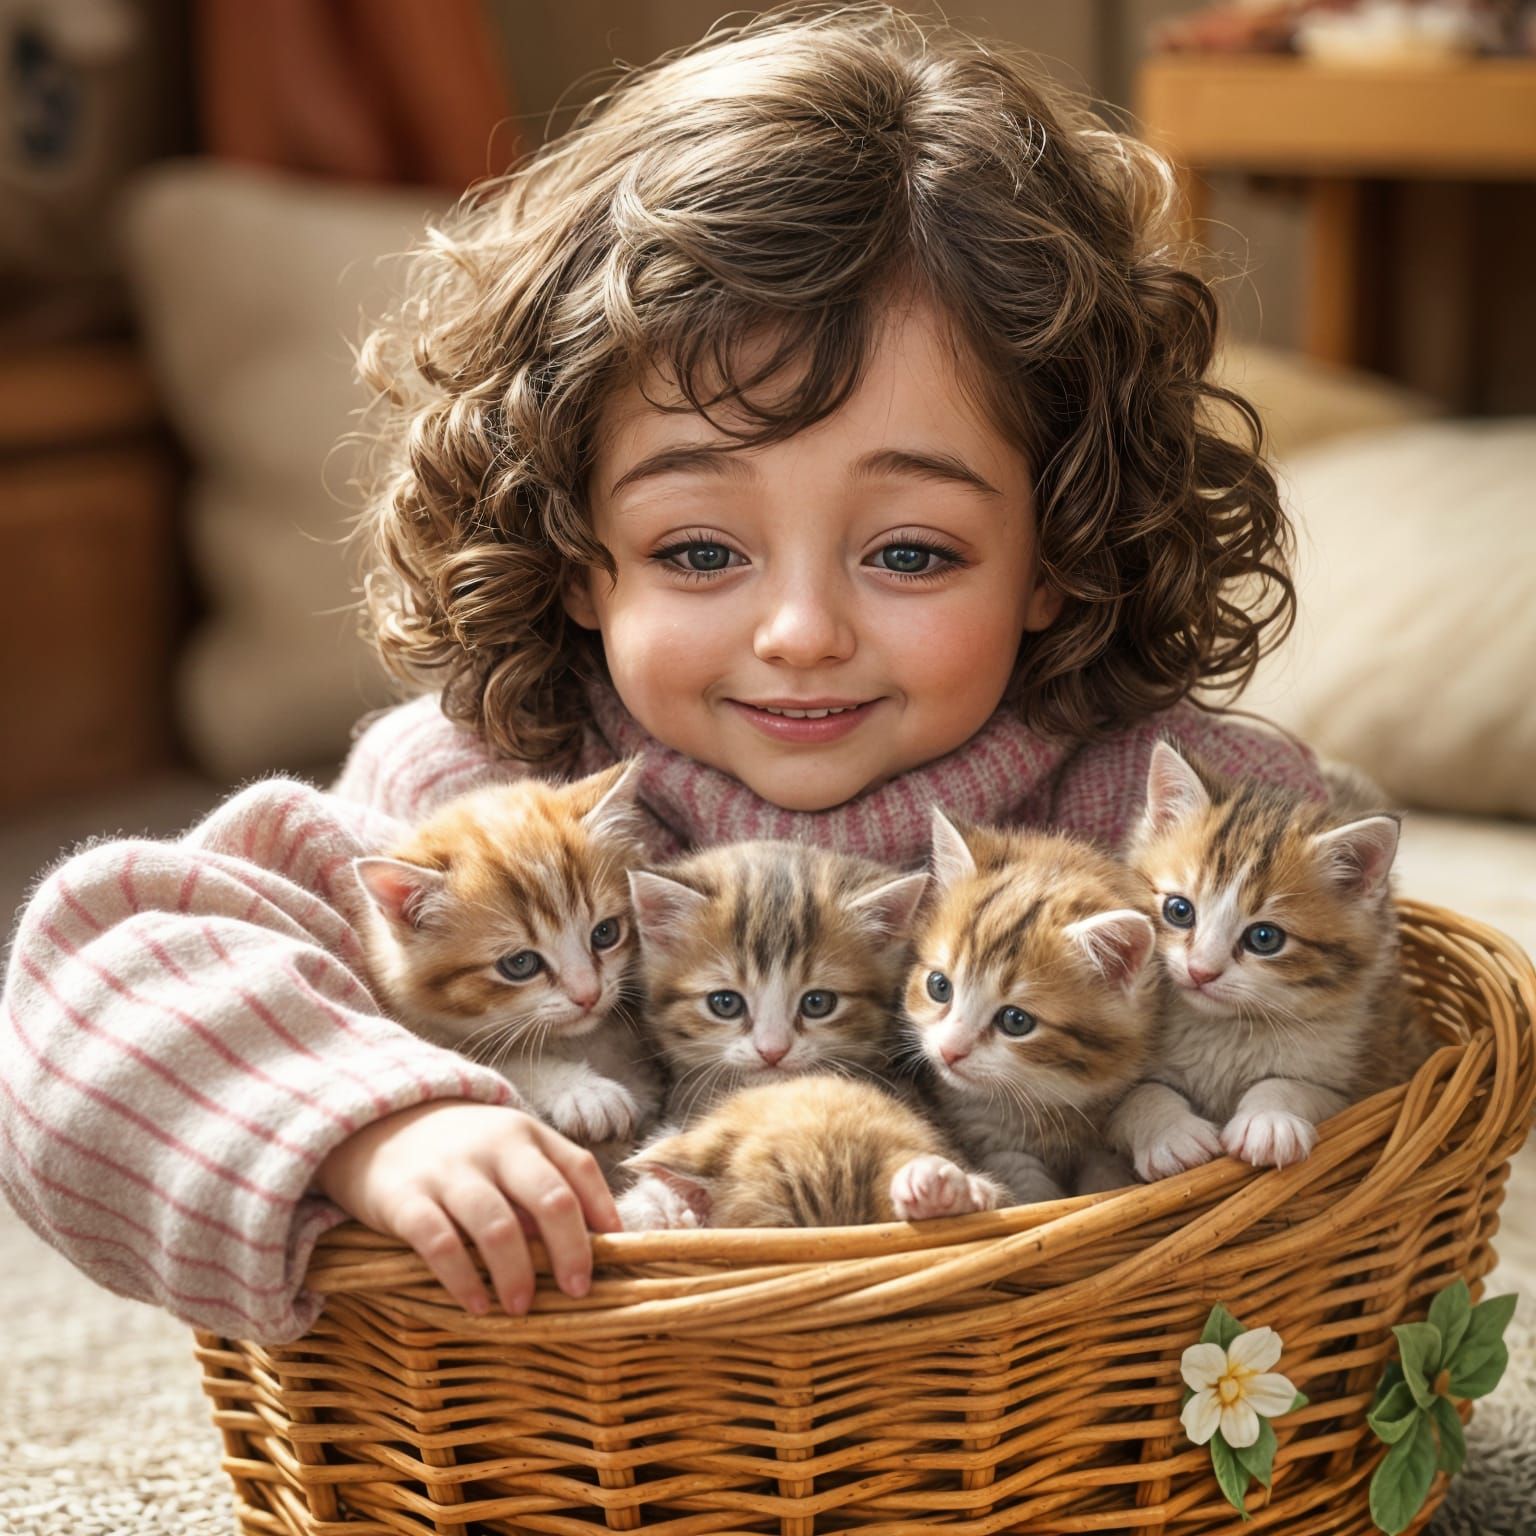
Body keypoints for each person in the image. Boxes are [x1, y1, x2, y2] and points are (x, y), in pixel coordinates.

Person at [0, 5, 1322, 1345]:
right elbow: (86, 998)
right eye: (699, 548)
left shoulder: (1157, 815)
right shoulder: (483, 795)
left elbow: (1373, 1087)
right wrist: (371, 1127)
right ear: (579, 555)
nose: (801, 629)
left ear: (1057, 553)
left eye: (912, 552)